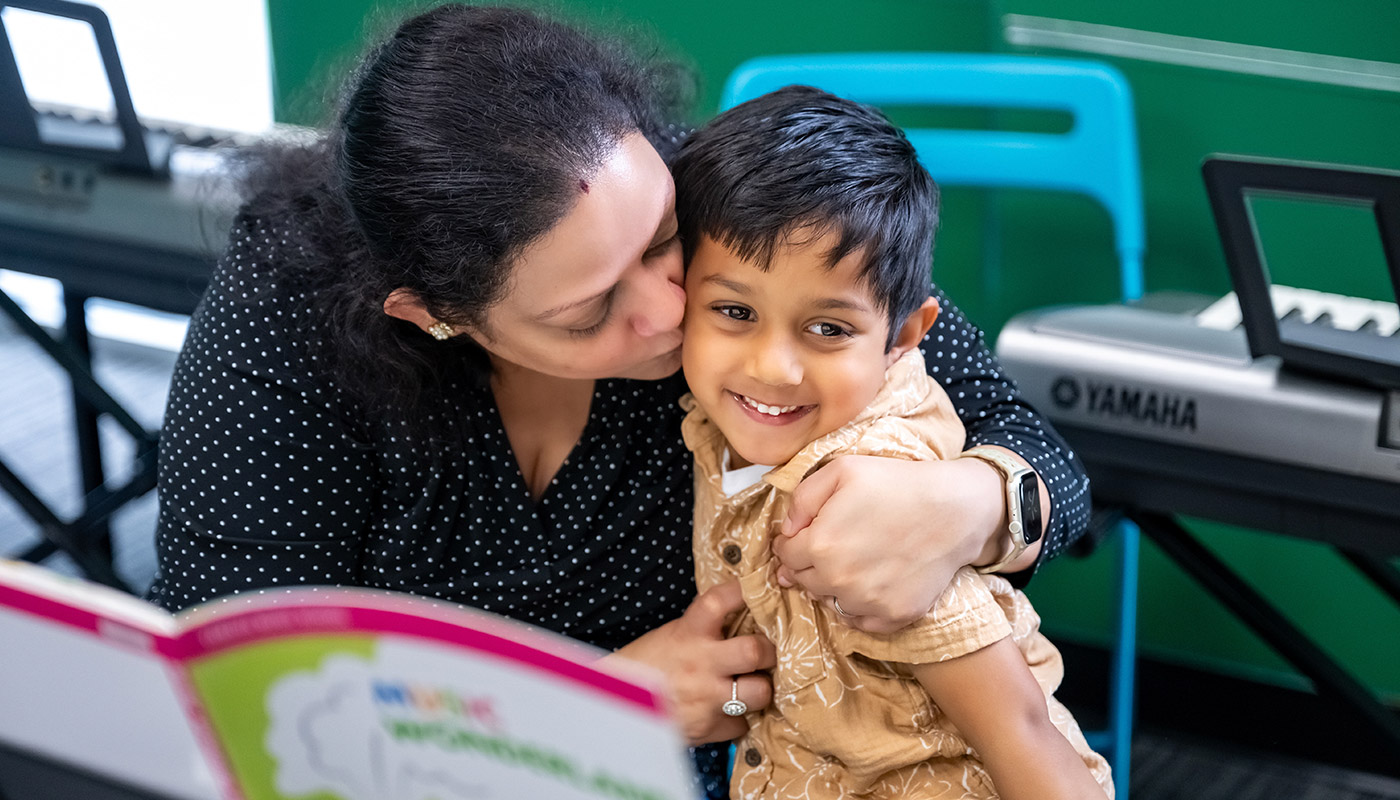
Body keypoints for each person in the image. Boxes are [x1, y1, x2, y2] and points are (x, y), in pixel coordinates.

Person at [146, 4, 1092, 794]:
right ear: (435, 315)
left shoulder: (726, 210)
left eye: (659, 239)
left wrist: (968, 504)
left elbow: (1046, 463)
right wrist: (581, 711)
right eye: (589, 310)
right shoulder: (288, 310)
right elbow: (237, 692)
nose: (671, 310)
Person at [673, 85, 1112, 799]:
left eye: (829, 329)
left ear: (906, 335)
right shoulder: (715, 420)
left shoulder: (877, 495)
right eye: (734, 311)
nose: (772, 367)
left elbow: (1021, 730)